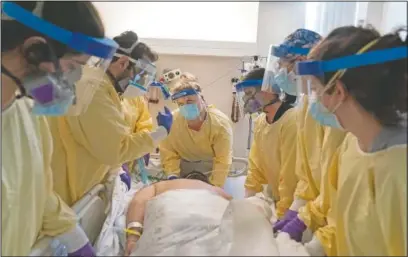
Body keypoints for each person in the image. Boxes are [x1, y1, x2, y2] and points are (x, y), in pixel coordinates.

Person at [1, 1, 119, 256]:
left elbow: (40, 192)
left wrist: (76, 240)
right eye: (72, 66)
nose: (74, 81)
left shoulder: (30, 117)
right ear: (35, 49)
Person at [280, 25, 407, 256]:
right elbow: (342, 220)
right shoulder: (351, 146)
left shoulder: (400, 168)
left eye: (317, 91)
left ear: (338, 91)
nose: (315, 101)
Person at [48, 30, 173, 206]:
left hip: (81, 182)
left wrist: (115, 170)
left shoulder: (103, 87)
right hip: (66, 190)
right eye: (140, 73)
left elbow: (103, 139)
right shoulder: (93, 89)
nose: (141, 82)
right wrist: (160, 132)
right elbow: (117, 149)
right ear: (123, 62)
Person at [268, 29, 347, 240]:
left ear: (301, 61)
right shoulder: (305, 105)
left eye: (283, 63)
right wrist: (297, 207)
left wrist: (306, 219)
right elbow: (307, 172)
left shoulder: (330, 109)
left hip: (337, 217)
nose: (278, 70)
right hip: (319, 210)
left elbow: (335, 176)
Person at [124, 175, 275, 256]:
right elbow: (236, 211)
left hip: (170, 212)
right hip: (207, 215)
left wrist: (133, 237)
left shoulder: (158, 187)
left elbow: (137, 202)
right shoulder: (214, 190)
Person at [236, 68, 298, 219]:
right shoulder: (260, 123)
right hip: (279, 200)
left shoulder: (292, 121)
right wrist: (248, 197)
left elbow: (289, 174)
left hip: (297, 206)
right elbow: (256, 164)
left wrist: (284, 214)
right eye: (245, 95)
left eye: (250, 93)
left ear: (269, 90)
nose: (246, 100)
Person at [159, 78, 233, 187]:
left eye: (190, 101)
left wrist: (215, 186)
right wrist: (173, 176)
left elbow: (222, 159)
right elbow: (168, 152)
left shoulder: (220, 123)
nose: (185, 106)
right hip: (183, 170)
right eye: (180, 104)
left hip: (212, 170)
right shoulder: (172, 121)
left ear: (202, 99)